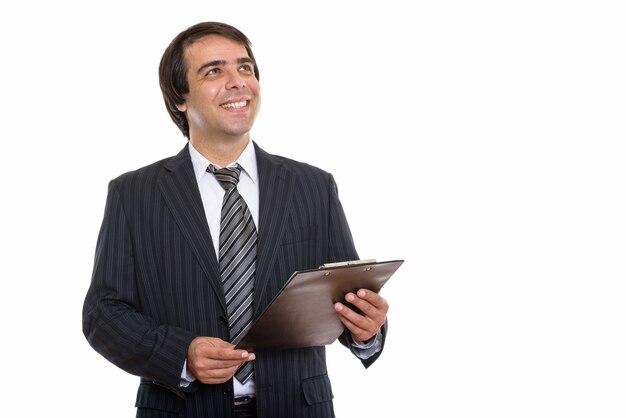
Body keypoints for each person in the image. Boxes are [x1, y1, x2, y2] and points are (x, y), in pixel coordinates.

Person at [82, 21, 389, 418]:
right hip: (183, 410)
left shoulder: (313, 186)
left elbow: (344, 295)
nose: (237, 82)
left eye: (245, 68)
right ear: (179, 97)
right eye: (214, 71)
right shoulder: (134, 194)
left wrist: (367, 330)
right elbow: (103, 314)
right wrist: (182, 355)